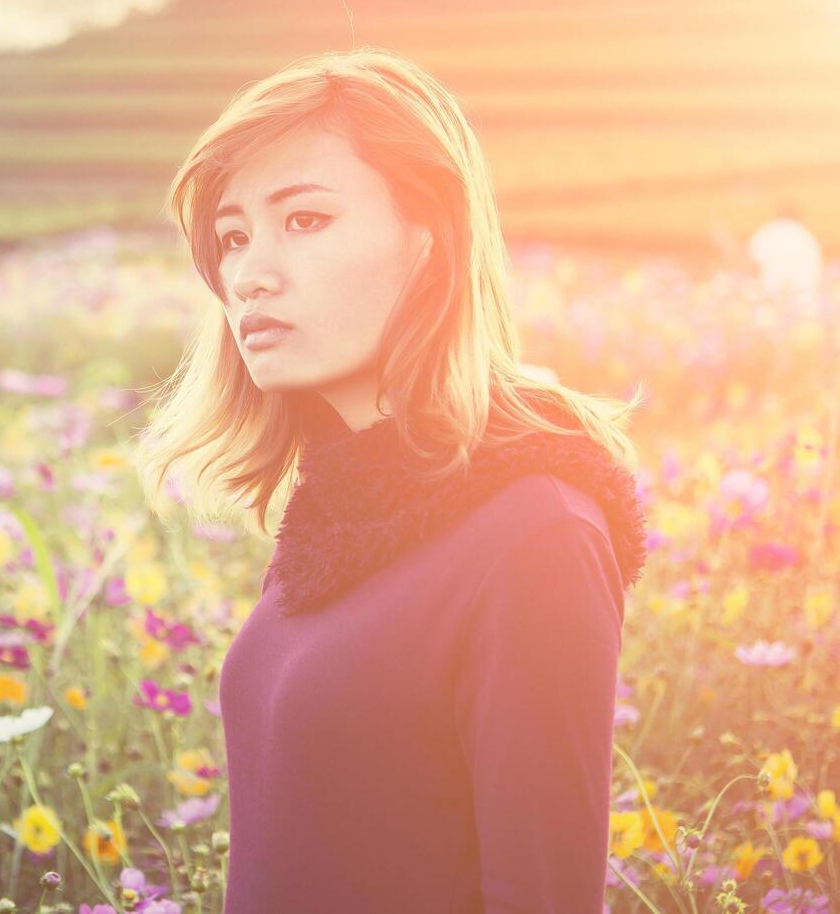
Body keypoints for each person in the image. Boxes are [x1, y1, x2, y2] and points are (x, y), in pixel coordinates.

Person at [131, 47, 651, 912]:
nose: (248, 272)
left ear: (429, 240)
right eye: (232, 236)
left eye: (304, 220)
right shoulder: (332, 519)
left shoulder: (534, 533)